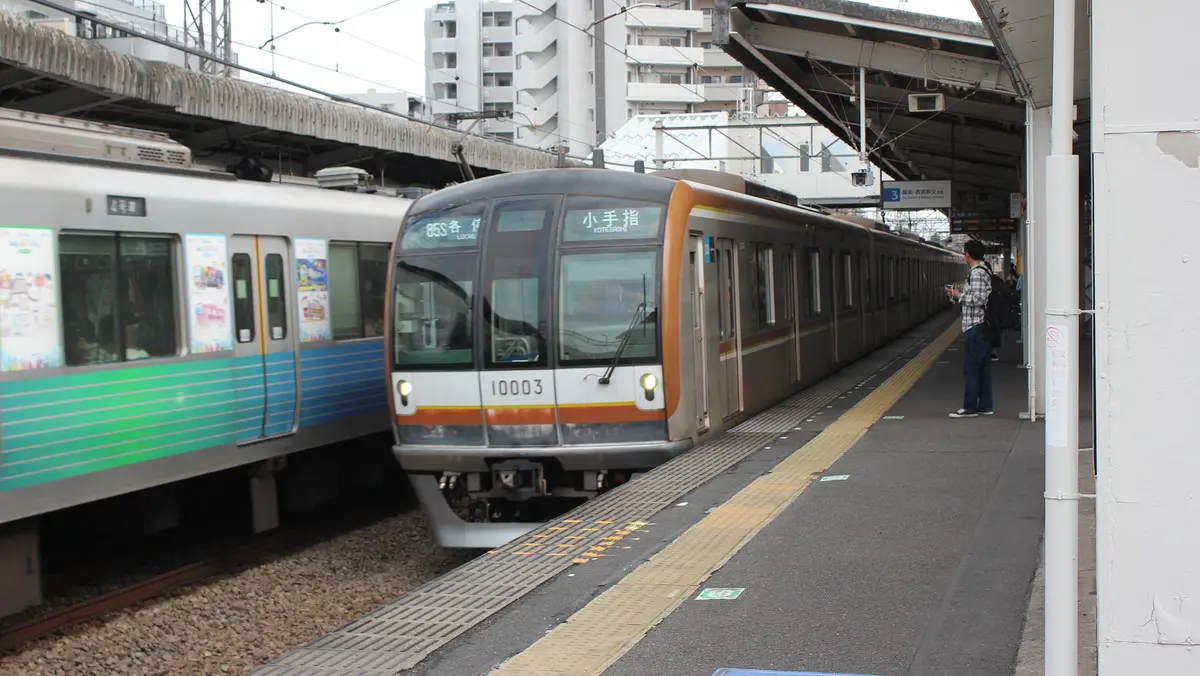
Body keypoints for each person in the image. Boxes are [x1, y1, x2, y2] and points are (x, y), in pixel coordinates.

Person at [945, 240, 993, 418]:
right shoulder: (983, 271)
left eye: (964, 252)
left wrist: (958, 295)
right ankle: (985, 405)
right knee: (982, 368)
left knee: (971, 368)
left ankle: (970, 407)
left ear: (968, 254)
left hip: (976, 325)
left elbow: (979, 299)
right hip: (979, 325)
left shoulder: (978, 273)